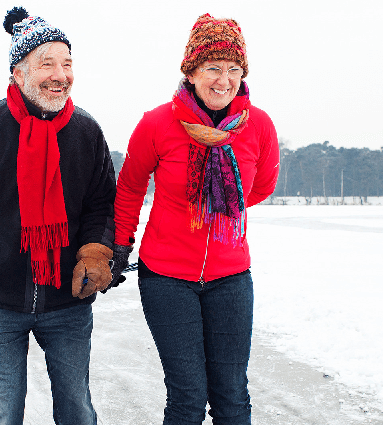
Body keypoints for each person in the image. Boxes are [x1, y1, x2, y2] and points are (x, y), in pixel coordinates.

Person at [0, 7, 116, 425]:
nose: (60, 74)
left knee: (78, 411)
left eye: (67, 63)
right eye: (46, 63)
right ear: (18, 72)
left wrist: (94, 251)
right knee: (3, 413)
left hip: (67, 299)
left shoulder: (86, 133)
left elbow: (102, 201)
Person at [108, 14, 279, 425]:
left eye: (234, 69)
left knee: (232, 394)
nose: (224, 80)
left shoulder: (258, 126)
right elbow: (130, 187)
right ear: (192, 70)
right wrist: (118, 245)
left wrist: (218, 208)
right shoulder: (157, 123)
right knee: (188, 396)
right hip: (166, 277)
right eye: (213, 68)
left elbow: (262, 187)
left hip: (231, 278)